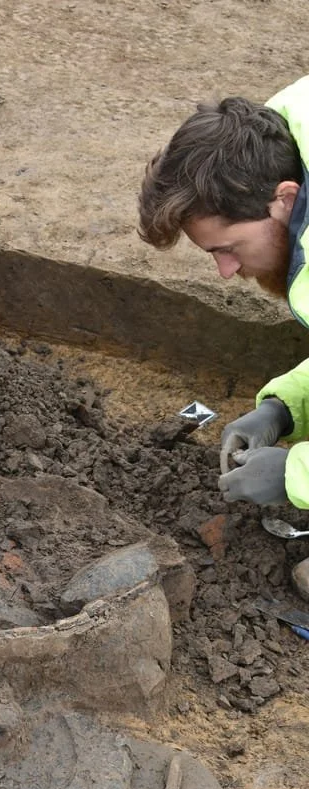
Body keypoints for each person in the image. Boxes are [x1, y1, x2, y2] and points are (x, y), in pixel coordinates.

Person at [137, 79, 309, 510]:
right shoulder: (279, 141)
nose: (226, 272)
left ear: (285, 200)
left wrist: (297, 474)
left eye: (228, 249)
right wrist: (287, 406)